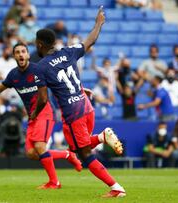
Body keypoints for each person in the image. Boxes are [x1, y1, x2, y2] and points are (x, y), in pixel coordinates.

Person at [0, 43, 119, 189]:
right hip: (32, 115)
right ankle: (68, 154)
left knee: (40, 146)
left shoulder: (38, 69)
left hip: (45, 112)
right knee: (32, 154)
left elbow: (59, 81)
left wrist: (80, 89)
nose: (20, 54)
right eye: (17, 52)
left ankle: (54, 182)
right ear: (14, 56)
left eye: (23, 51)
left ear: (27, 54)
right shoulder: (13, 75)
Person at [31, 7, 125, 197]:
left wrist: (34, 114)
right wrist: (99, 23)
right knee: (75, 148)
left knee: (85, 154)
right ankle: (100, 138)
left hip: (72, 114)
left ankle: (116, 188)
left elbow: (42, 98)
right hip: (86, 106)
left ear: (40, 44)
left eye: (36, 44)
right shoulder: (69, 52)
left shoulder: (40, 67)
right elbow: (90, 40)